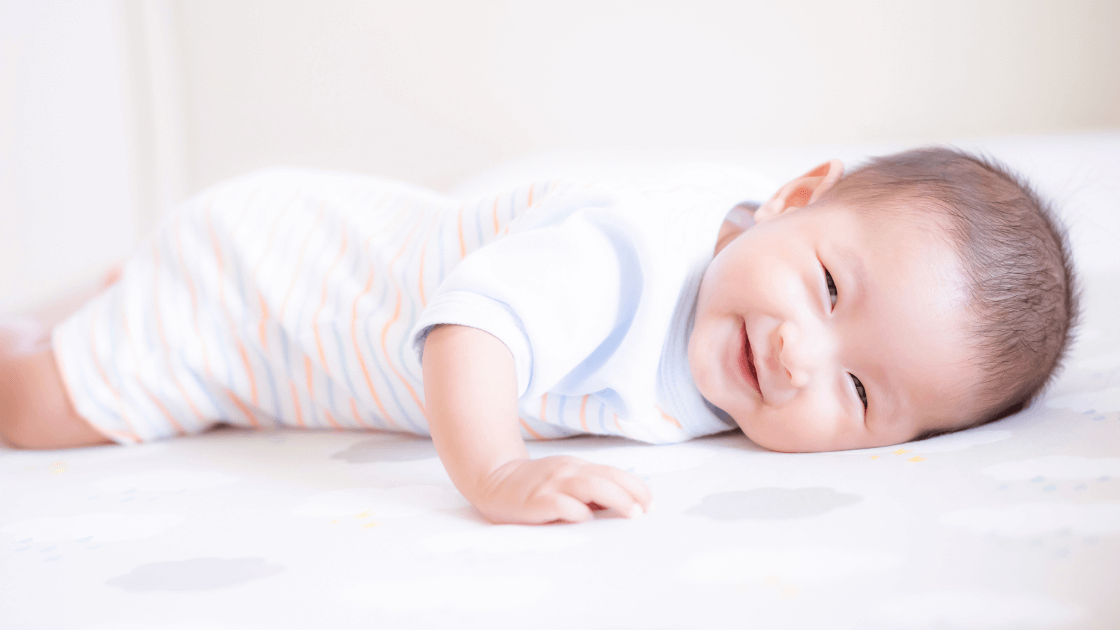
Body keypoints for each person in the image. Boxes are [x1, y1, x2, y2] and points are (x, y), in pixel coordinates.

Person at [0, 147, 1078, 525]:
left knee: (109, 345)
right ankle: (49, 331)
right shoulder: (631, 255)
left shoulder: (754, 302)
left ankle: (115, 300)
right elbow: (471, 324)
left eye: (856, 395)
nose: (802, 356)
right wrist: (498, 470)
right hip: (260, 294)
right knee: (37, 412)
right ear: (793, 196)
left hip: (278, 333)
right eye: (829, 287)